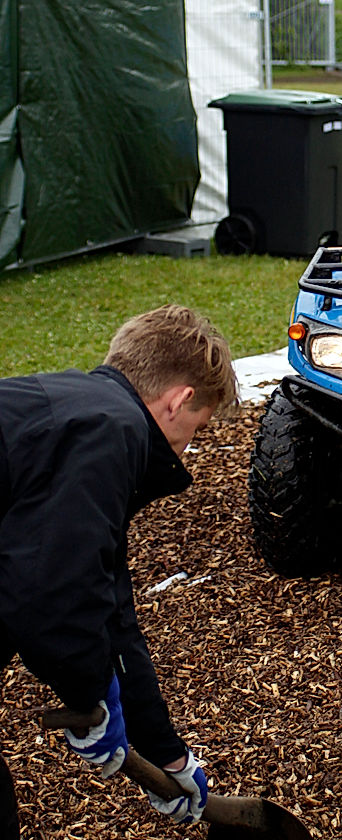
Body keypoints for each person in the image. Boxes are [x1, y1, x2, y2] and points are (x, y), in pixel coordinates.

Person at [0, 304, 239, 837]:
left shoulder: (81, 415)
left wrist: (166, 753)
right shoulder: (109, 432)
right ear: (181, 399)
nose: (189, 447)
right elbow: (49, 595)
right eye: (196, 430)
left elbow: (107, 606)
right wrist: (87, 694)